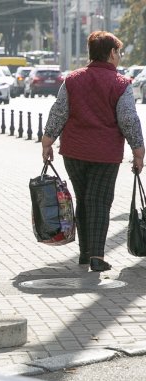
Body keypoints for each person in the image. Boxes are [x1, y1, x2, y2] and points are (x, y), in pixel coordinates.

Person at [41, 31, 144, 272]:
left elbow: (59, 112)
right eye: (118, 52)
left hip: (74, 153)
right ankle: (97, 255)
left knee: (84, 200)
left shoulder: (73, 80)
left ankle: (85, 253)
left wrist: (47, 141)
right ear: (111, 53)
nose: (119, 57)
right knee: (100, 202)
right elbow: (129, 120)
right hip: (105, 155)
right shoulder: (120, 84)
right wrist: (138, 150)